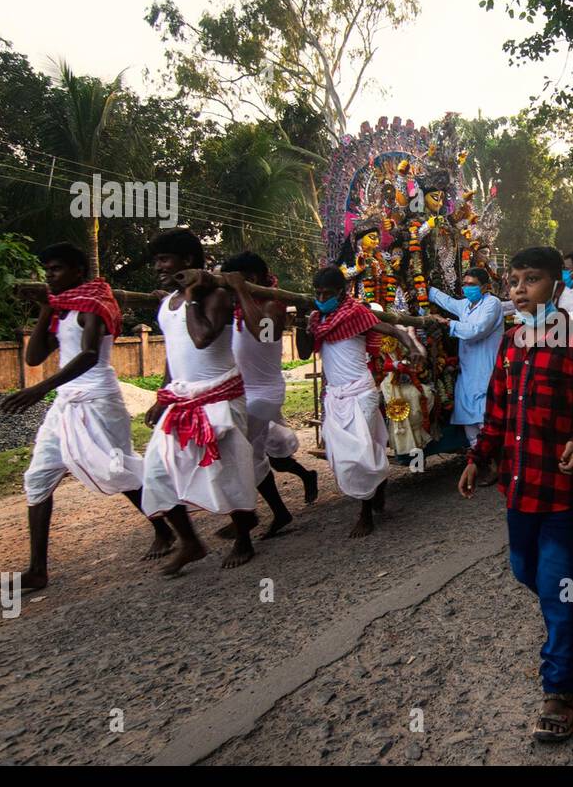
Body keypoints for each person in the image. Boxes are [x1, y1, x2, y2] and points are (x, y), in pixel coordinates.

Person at [459, 246, 573, 743]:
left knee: (555, 586)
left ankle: (559, 689)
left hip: (562, 492)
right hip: (518, 486)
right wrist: (476, 457)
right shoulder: (511, 343)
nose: (517, 289)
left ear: (557, 287)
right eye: (512, 280)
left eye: (530, 280)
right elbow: (496, 411)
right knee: (522, 569)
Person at [2, 242, 169, 590]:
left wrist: (37, 390)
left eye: (57, 269)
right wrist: (46, 308)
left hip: (98, 400)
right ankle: (37, 570)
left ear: (78, 271)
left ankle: (168, 528)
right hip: (65, 403)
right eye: (47, 270)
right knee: (37, 478)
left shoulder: (95, 301)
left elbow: (90, 355)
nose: (50, 275)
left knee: (116, 469)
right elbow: (33, 357)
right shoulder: (61, 309)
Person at [142, 230, 258, 575]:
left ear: (188, 262)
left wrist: (192, 295)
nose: (159, 268)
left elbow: (202, 338)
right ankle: (190, 542)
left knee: (226, 471)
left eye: (164, 260)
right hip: (181, 400)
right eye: (157, 261)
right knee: (156, 472)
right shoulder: (167, 304)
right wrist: (161, 397)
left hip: (220, 397)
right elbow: (173, 354)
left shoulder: (217, 296)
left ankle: (243, 538)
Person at [311, 266, 419, 538]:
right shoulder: (316, 320)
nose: (322, 297)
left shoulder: (357, 314)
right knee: (342, 455)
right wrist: (306, 328)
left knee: (360, 454)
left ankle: (365, 513)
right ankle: (378, 488)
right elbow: (303, 351)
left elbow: (395, 332)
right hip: (336, 396)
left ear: (341, 292)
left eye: (328, 293)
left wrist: (413, 347)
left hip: (362, 392)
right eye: (318, 293)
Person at [221, 252, 318, 540]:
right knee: (266, 454)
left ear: (250, 279)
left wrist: (239, 290)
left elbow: (265, 334)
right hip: (242, 392)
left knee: (235, 451)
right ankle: (284, 504)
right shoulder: (239, 305)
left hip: (263, 395)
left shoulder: (274, 304)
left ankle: (246, 517)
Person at [428, 267, 504, 448]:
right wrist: (426, 289)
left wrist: (448, 323)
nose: (467, 288)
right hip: (467, 373)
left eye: (473, 285)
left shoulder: (492, 303)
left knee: (486, 420)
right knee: (470, 424)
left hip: (486, 371)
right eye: (465, 284)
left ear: (485, 287)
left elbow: (476, 331)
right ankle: (478, 462)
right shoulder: (464, 305)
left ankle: (494, 465)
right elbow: (445, 301)